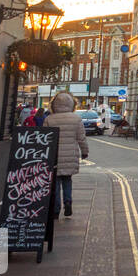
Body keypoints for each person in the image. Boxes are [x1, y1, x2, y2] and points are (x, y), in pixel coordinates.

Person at [43, 91, 89, 219]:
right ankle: (68, 202)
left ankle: (56, 209)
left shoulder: (49, 119)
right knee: (67, 180)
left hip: (54, 157)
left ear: (54, 104)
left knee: (55, 184)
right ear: (72, 104)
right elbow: (82, 138)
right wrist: (84, 152)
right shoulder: (76, 119)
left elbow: (44, 138)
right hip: (70, 156)